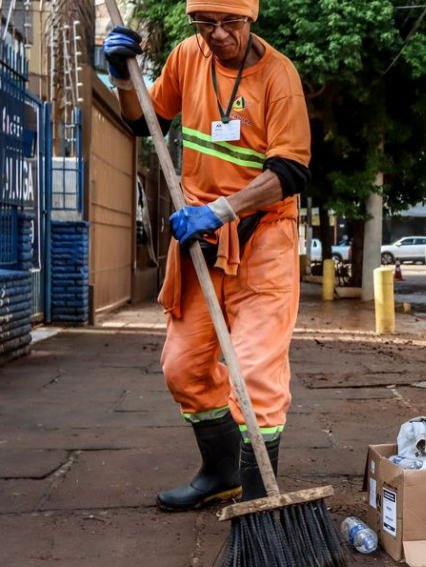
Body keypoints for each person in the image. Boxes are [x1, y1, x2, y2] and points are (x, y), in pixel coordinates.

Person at [103, 0, 310, 510]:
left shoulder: (279, 77)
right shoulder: (185, 58)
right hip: (203, 246)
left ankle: (260, 506)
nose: (216, 35)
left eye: (229, 23)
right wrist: (124, 79)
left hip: (263, 241)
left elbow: (290, 171)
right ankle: (222, 472)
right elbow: (142, 122)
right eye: (204, 24)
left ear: (250, 18)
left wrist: (220, 210)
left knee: (256, 373)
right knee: (182, 369)